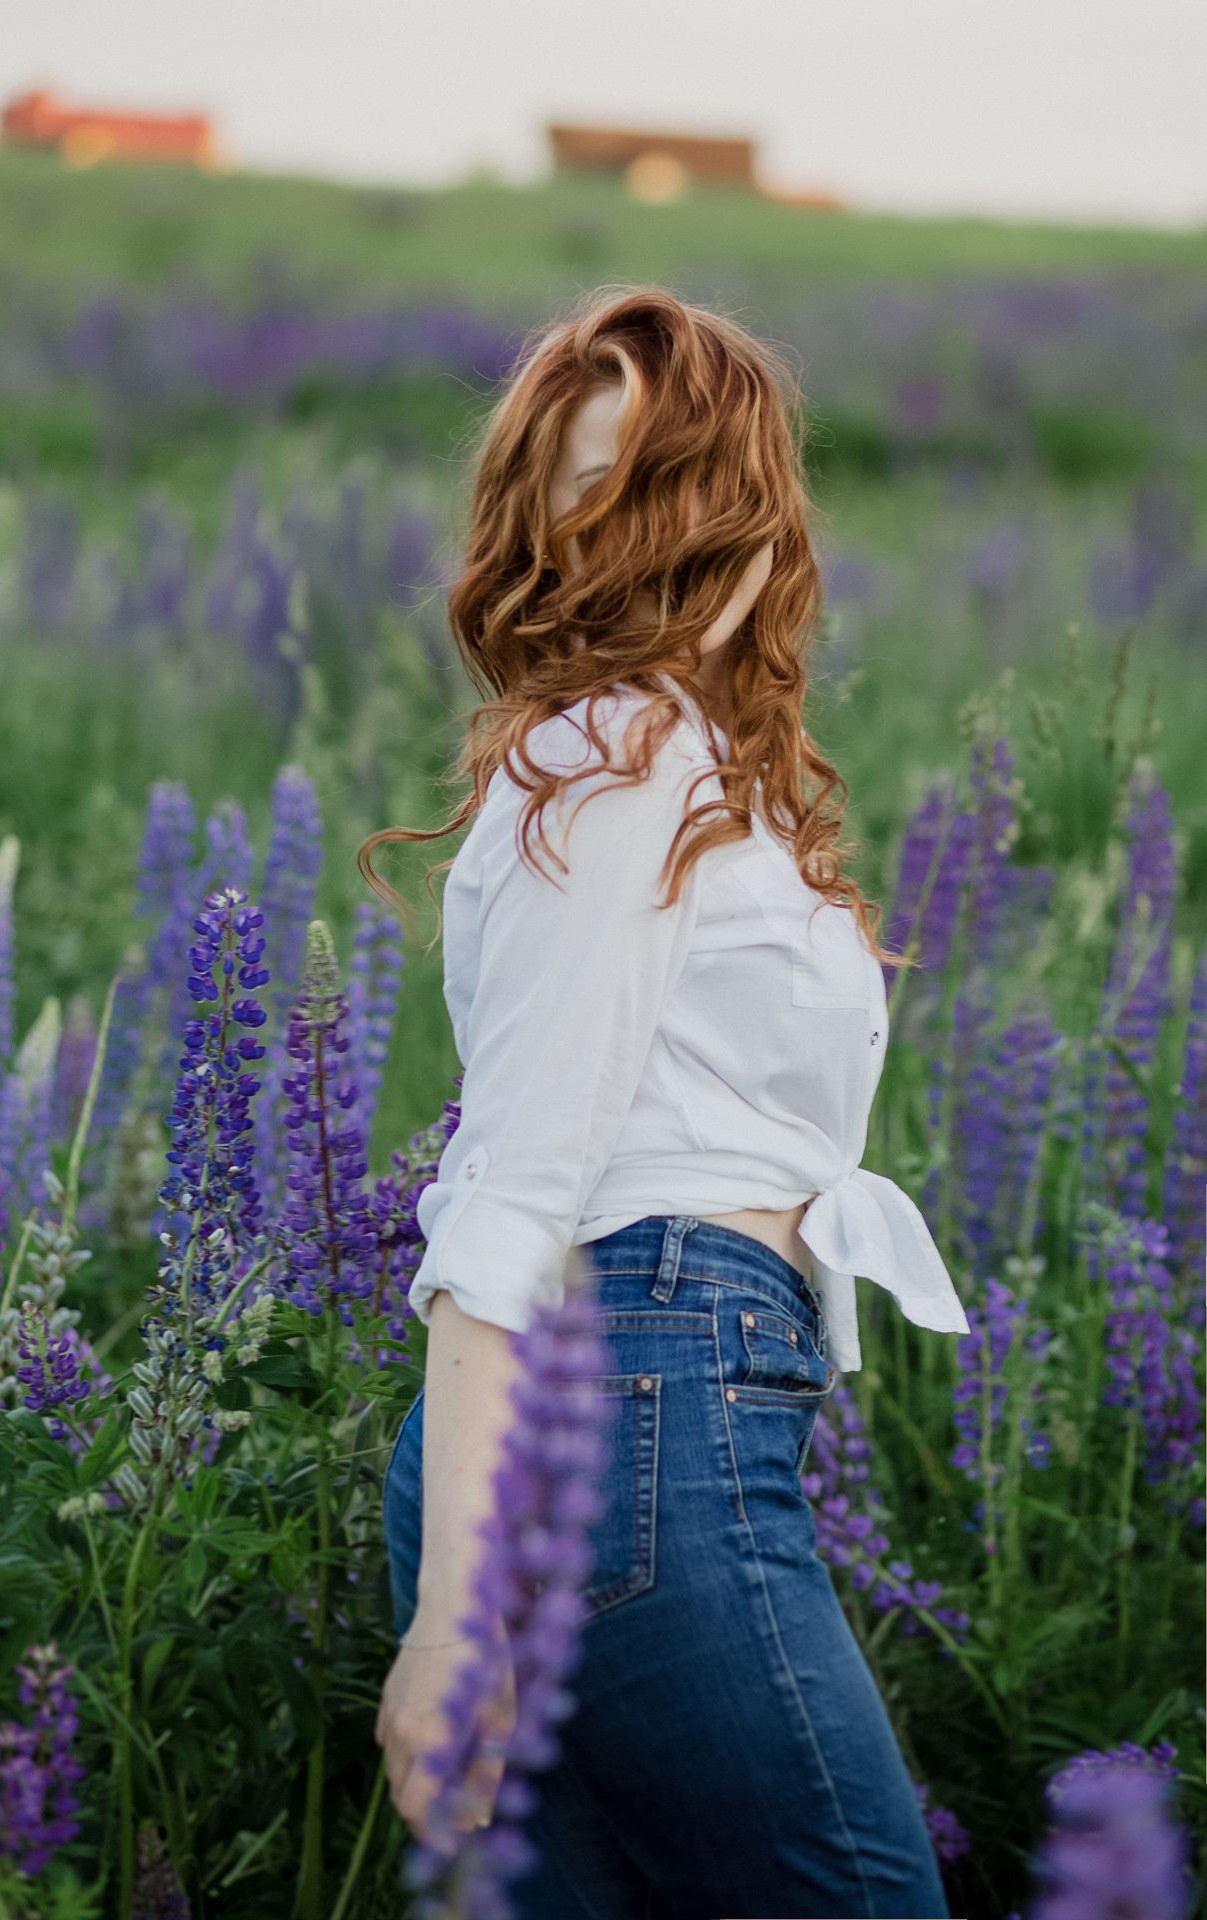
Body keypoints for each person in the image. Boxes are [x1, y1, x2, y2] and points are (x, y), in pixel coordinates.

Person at [368, 288, 969, 1919]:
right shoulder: (630, 754)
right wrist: (452, 1621)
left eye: (662, 480)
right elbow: (518, 1180)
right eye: (584, 487)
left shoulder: (645, 760)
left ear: (749, 507)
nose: (623, 530)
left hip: (610, 1421)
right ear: (540, 524)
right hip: (632, 1407)